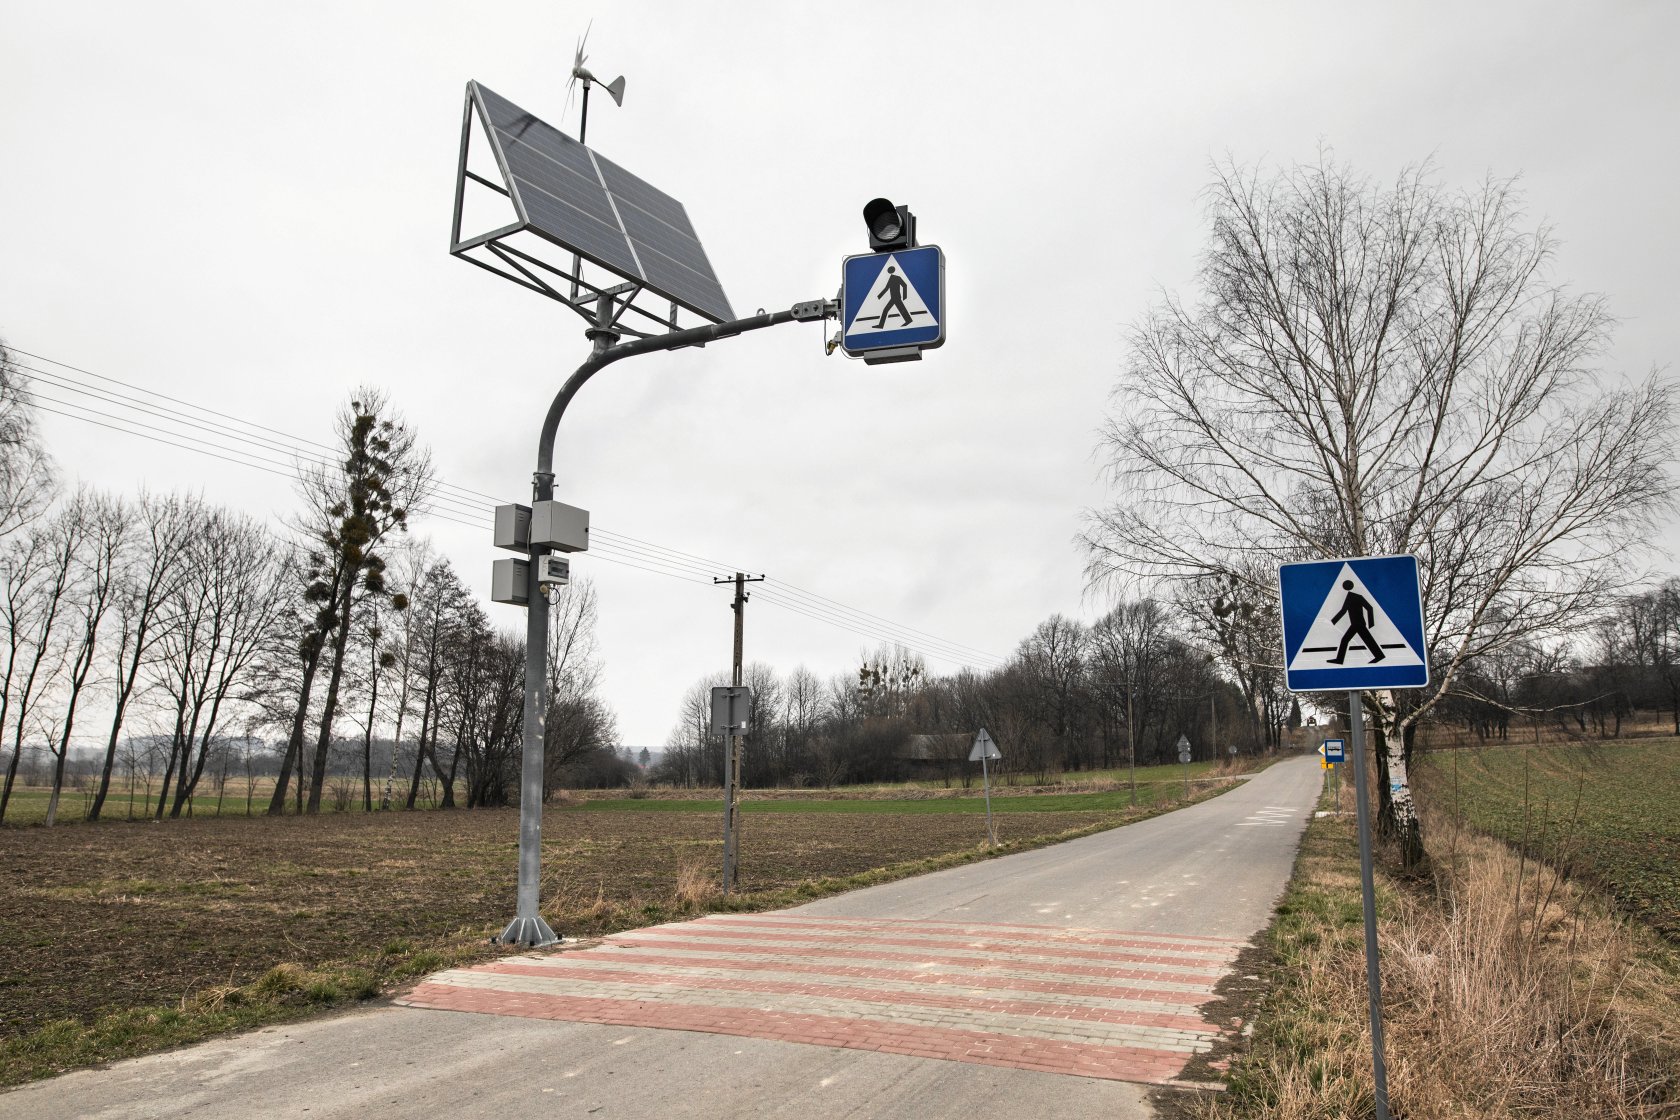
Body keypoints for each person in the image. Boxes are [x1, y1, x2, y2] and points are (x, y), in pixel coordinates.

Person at [1328, 580, 1385, 664]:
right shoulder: (1355, 596)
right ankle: (1340, 659)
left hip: (1358, 624)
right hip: (1356, 624)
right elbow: (1344, 610)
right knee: (1357, 640)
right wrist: (1333, 621)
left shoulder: (1352, 597)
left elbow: (1369, 608)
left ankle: (1340, 659)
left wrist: (1371, 624)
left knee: (1348, 640)